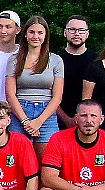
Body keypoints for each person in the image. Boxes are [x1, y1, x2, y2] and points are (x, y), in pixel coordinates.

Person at [5, 15, 64, 160]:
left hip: (46, 115)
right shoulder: (14, 59)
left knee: (47, 163)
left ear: (45, 35)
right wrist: (25, 121)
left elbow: (57, 96)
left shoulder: (56, 60)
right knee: (18, 161)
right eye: (32, 32)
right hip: (19, 113)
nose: (35, 36)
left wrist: (39, 121)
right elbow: (10, 94)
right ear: (25, 34)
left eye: (40, 33)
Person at [56, 15, 95, 129]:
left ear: (87, 34)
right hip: (57, 120)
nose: (77, 33)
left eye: (81, 30)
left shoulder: (97, 61)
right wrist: (67, 119)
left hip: (89, 122)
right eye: (72, 30)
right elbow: (49, 93)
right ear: (65, 33)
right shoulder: (54, 60)